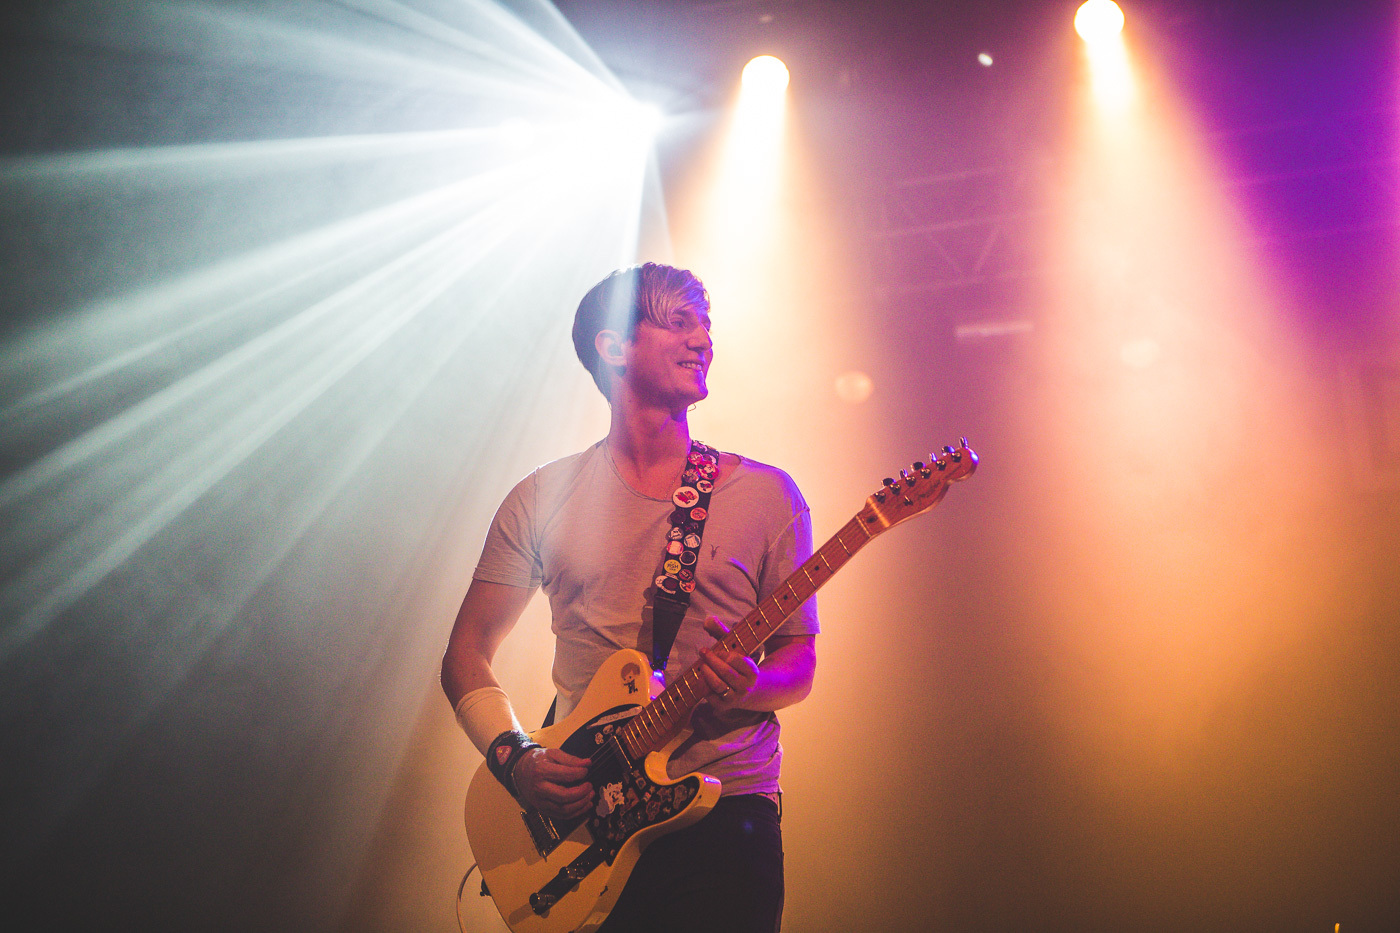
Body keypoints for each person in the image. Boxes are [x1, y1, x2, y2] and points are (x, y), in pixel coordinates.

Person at [441, 262, 818, 933]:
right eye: (679, 321)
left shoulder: (768, 494)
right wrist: (516, 759)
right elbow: (467, 653)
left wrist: (751, 685)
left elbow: (799, 662)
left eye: (706, 324)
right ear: (613, 344)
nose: (703, 338)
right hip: (583, 820)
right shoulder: (542, 496)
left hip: (724, 811)